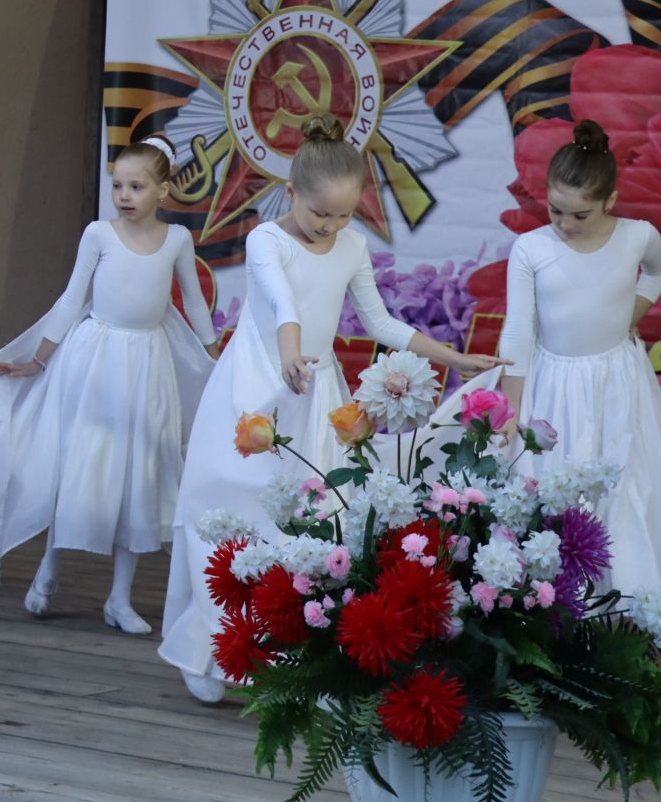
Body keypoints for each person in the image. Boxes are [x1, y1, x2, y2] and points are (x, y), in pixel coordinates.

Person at [158, 114, 506, 702]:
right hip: (255, 388)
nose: (331, 226)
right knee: (226, 510)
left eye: (344, 215)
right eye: (321, 213)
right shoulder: (266, 238)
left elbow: (380, 320)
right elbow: (282, 300)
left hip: (313, 394)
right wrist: (291, 356)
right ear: (290, 194)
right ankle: (212, 646)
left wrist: (452, 355)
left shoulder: (351, 246)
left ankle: (300, 656)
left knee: (315, 522)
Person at [0, 134, 218, 633]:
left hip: (147, 365)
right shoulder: (98, 234)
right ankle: (49, 569)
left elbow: (192, 303)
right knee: (81, 466)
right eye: (118, 185)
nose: (124, 195)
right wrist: (35, 362)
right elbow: (69, 300)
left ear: (163, 191)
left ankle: (120, 598)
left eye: (137, 186)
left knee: (140, 475)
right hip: (95, 361)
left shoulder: (177, 241)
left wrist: (217, 360)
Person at [494, 119, 661, 611]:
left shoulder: (637, 237)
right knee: (555, 489)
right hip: (552, 385)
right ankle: (554, 611)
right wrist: (510, 409)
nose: (564, 224)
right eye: (555, 210)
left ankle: (622, 613)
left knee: (626, 488)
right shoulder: (531, 249)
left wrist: (633, 314)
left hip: (617, 383)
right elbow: (518, 331)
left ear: (610, 201)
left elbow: (660, 269)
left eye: (579, 215)